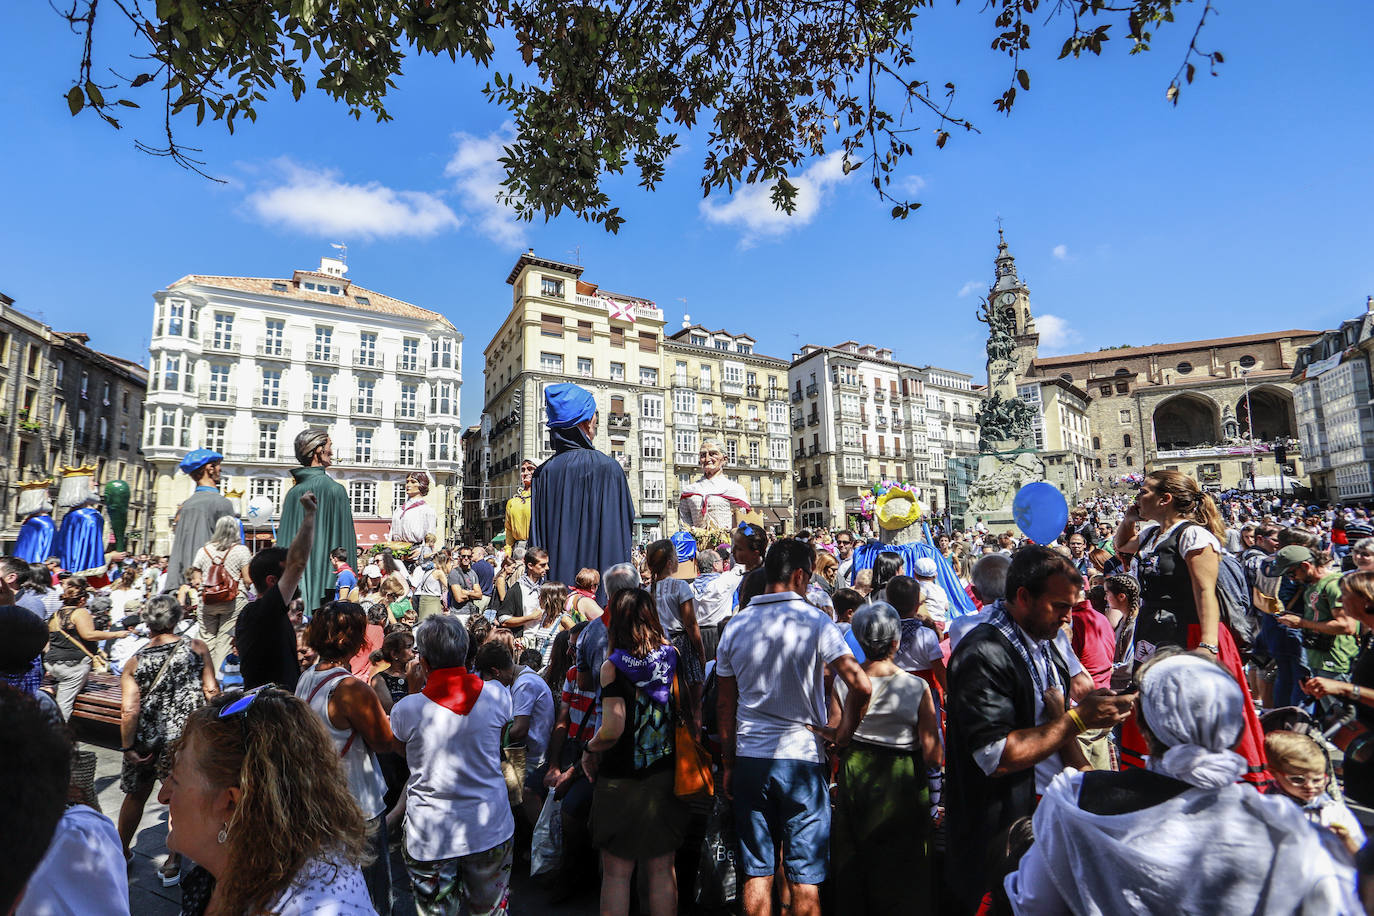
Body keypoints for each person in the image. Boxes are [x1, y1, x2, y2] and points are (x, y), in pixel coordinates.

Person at [1005, 652, 1358, 915]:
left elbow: (1034, 902)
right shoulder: (1284, 827)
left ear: (1141, 722)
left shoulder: (1075, 801)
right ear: (1235, 728)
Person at [944, 546, 1136, 911]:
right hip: (1000, 834)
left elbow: (1055, 723)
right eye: (1060, 606)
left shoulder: (1044, 640)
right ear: (1022, 597)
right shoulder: (983, 653)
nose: (1067, 618)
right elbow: (996, 757)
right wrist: (1078, 719)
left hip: (1042, 820)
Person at [715, 540, 872, 916]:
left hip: (751, 758)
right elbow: (861, 685)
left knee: (756, 873)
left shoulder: (736, 626)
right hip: (803, 758)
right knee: (805, 879)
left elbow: (725, 704)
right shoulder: (817, 621)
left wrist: (729, 762)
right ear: (800, 575)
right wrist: (842, 734)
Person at [159, 688, 375, 915]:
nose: (162, 796)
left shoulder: (313, 908)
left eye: (175, 780)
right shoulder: (225, 871)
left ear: (233, 805)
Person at [1113, 469, 1266, 780]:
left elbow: (1204, 591)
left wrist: (1208, 646)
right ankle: (1161, 771)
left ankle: (1202, 775)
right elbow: (1123, 545)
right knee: (1154, 700)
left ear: (1165, 498)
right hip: (1155, 632)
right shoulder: (1152, 534)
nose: (1137, 497)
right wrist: (1130, 519)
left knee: (1189, 706)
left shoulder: (1194, 535)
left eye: (1143, 491)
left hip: (1189, 632)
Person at [390, 615, 515, 916]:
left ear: (425, 663)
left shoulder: (406, 709)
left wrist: (412, 689)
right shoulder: (498, 694)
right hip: (490, 827)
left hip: (431, 837)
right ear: (466, 653)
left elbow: (405, 754)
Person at [822, 601, 942, 916]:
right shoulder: (917, 686)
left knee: (855, 860)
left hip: (856, 778)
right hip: (902, 780)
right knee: (903, 868)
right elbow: (933, 755)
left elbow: (836, 736)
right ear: (895, 642)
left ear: (860, 640)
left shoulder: (844, 682)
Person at [582, 588, 688, 916]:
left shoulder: (613, 667)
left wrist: (589, 748)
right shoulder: (672, 655)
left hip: (620, 781)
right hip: (664, 773)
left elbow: (613, 729)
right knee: (661, 868)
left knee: (617, 873)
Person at [296, 602, 395, 913]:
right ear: (352, 640)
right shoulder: (351, 689)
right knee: (373, 894)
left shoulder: (307, 676)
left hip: (320, 803)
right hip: (357, 807)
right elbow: (383, 742)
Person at [116, 595, 219, 886]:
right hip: (185, 737)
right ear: (176, 619)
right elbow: (211, 690)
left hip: (147, 739)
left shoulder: (135, 661)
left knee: (136, 793)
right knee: (179, 795)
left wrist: (127, 747)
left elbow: (129, 709)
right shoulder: (197, 648)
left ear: (147, 622)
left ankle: (121, 852)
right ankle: (173, 860)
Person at [530, 383, 635, 603]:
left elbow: (537, 541)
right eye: (594, 417)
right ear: (585, 423)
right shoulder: (610, 468)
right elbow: (623, 530)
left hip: (558, 602)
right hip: (603, 603)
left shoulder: (542, 474)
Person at [1302, 571, 1374, 805]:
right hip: (1363, 747)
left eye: (1345, 595)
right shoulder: (1369, 635)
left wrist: (1344, 689)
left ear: (1367, 599)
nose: (1340, 601)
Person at [236, 491, 317, 692]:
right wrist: (310, 515)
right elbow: (297, 563)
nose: (297, 578)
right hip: (269, 711)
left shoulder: (259, 613)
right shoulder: (262, 612)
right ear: (272, 581)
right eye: (288, 574)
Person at [1272, 545, 1360, 716]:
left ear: (1305, 566)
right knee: (1329, 716)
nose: (1292, 579)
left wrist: (1301, 623)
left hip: (1336, 663)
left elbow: (1346, 626)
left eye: (1292, 573)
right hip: (1319, 660)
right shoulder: (1313, 586)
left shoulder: (1333, 586)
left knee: (1343, 717)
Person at [275, 429, 357, 612]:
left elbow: (283, 547)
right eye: (330, 447)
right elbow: (346, 549)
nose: (332, 452)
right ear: (318, 450)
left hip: (293, 590)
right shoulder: (336, 491)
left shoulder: (293, 494)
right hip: (327, 594)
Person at [1265, 729, 1364, 859]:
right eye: (1297, 780)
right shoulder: (1268, 809)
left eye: (1317, 779)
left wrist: (1346, 839)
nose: (1309, 787)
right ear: (1274, 773)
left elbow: (1362, 860)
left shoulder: (1332, 810)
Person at [46, 579, 131, 719]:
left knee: (73, 685)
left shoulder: (55, 614)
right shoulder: (80, 612)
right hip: (72, 665)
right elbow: (89, 634)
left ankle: (51, 690)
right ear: (82, 599)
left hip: (53, 663)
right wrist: (116, 634)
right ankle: (57, 735)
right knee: (64, 704)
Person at [644, 538, 706, 710]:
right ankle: (693, 735)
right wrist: (701, 653)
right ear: (670, 562)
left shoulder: (647, 592)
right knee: (693, 704)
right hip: (682, 647)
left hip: (658, 647)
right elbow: (691, 625)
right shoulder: (681, 587)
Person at [164, 448, 236, 592]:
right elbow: (232, 546)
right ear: (210, 468)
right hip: (213, 584)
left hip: (184, 583)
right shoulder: (222, 503)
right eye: (218, 465)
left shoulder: (186, 505)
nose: (220, 470)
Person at [191, 514, 252, 671]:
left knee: (206, 639)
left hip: (207, 601)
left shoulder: (203, 551)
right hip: (233, 600)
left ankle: (203, 675)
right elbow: (248, 579)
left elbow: (196, 579)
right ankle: (217, 680)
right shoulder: (241, 551)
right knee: (225, 641)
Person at [678, 439, 751, 530]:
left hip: (727, 542)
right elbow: (684, 525)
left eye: (713, 454)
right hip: (696, 543)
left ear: (724, 459)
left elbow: (743, 524)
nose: (707, 459)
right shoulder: (689, 490)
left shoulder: (735, 489)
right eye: (703, 455)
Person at [497, 547, 548, 632]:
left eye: (546, 564)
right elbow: (504, 620)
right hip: (523, 639)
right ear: (530, 566)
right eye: (542, 565)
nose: (547, 568)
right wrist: (530, 618)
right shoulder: (516, 590)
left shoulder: (546, 587)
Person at [389, 471, 437, 547]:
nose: (408, 485)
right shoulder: (399, 510)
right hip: (397, 547)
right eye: (407, 482)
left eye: (413, 482)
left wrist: (422, 550)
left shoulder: (427, 510)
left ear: (422, 485)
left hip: (416, 548)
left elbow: (431, 535)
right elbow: (391, 533)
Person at [912, 556, 950, 634]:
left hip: (926, 624)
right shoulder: (940, 589)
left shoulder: (918, 588)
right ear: (935, 575)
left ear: (915, 574)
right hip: (941, 624)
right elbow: (946, 607)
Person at [413, 549, 451, 622]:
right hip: (433, 600)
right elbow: (448, 586)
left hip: (423, 599)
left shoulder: (428, 571)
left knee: (424, 622)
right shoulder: (439, 572)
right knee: (435, 624)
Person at [506, 459, 536, 550]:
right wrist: (508, 550)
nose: (525, 473)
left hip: (537, 547)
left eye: (530, 469)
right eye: (523, 470)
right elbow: (508, 530)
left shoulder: (543, 498)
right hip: (518, 549)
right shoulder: (512, 502)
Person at [447, 547, 484, 619]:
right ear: (459, 557)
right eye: (463, 556)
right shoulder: (454, 573)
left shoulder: (472, 573)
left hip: (471, 613)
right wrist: (473, 593)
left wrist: (466, 592)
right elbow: (459, 598)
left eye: (469, 556)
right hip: (458, 613)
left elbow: (479, 595)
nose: (466, 558)